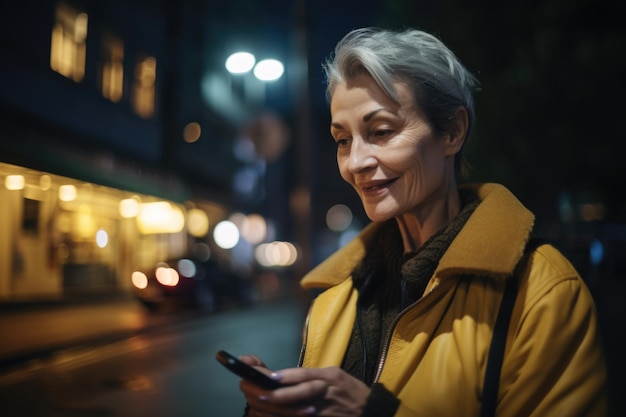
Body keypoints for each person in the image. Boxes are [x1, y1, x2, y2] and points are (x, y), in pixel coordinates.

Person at [236, 27, 609, 417]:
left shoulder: (543, 292)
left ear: (452, 131)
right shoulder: (336, 298)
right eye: (343, 140)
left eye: (380, 132)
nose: (356, 163)